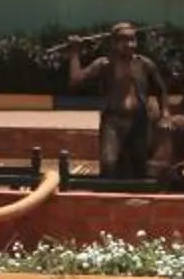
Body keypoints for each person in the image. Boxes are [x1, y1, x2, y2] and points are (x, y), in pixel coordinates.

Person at [65, 22, 167, 179]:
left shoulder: (144, 64)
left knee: (141, 167)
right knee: (109, 165)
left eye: (132, 40)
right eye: (124, 40)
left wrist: (165, 113)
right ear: (114, 42)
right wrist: (74, 53)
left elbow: (161, 90)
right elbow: (75, 81)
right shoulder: (104, 64)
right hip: (113, 122)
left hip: (139, 121)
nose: (129, 45)